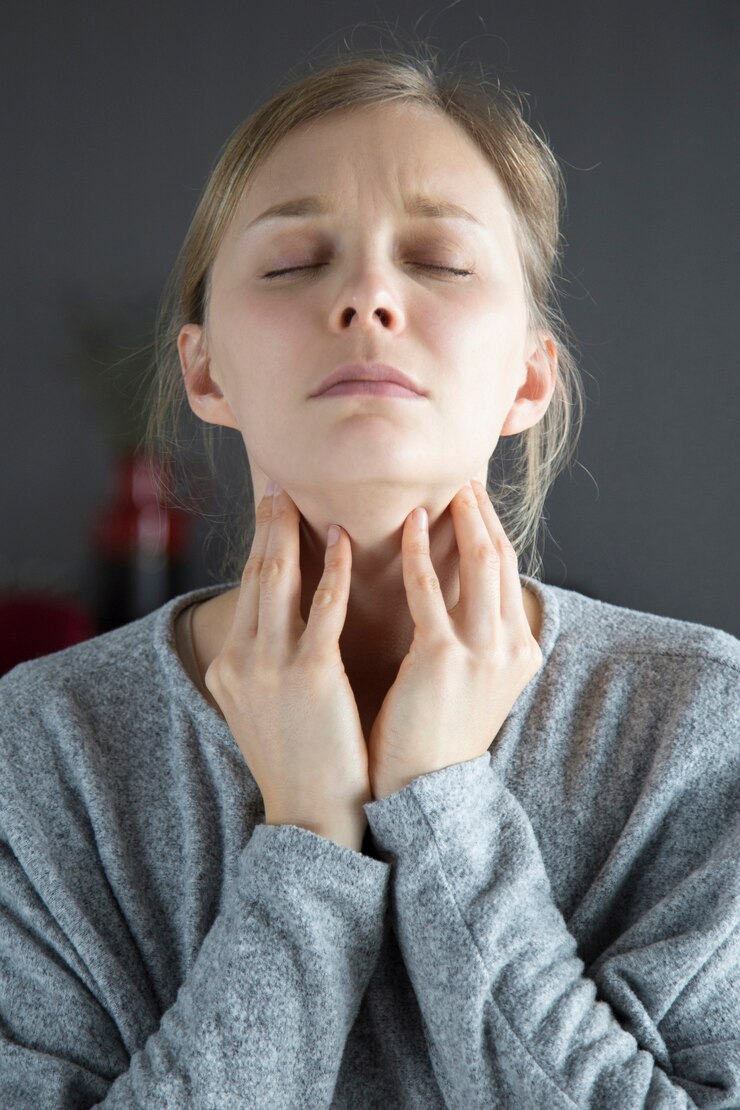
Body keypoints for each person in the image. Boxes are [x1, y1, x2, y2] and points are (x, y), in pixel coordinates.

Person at [1, 45, 738, 1110]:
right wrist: (303, 838)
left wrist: (441, 802)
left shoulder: (701, 723)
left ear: (528, 376)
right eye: (295, 261)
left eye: (437, 260)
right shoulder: (41, 751)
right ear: (204, 369)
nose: (365, 298)